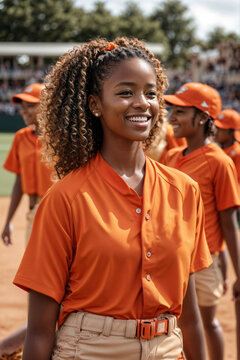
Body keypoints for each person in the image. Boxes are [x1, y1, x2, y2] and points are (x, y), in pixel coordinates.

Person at [13, 38, 212, 360]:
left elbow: (188, 314)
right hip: (90, 350)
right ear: (94, 104)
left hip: (167, 349)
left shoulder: (184, 190)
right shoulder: (66, 198)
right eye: (125, 92)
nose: (142, 103)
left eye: (150, 93)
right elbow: (39, 329)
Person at [164, 82, 240, 360]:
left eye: (180, 111)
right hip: (170, 259)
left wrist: (239, 274)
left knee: (205, 323)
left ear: (203, 118)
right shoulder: (171, 156)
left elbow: (229, 223)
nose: (172, 117)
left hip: (203, 263)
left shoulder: (218, 161)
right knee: (175, 328)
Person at [0, 83, 53, 358]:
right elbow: (19, 179)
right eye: (23, 105)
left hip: (55, 213)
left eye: (31, 104)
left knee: (51, 277)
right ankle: (38, 331)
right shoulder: (22, 137)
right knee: (37, 277)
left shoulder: (61, 138)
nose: (24, 110)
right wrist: (8, 219)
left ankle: (38, 334)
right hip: (33, 213)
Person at [214, 109, 240, 183]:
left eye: (220, 129)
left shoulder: (237, 152)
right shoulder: (217, 149)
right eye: (216, 127)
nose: (216, 131)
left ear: (231, 132)